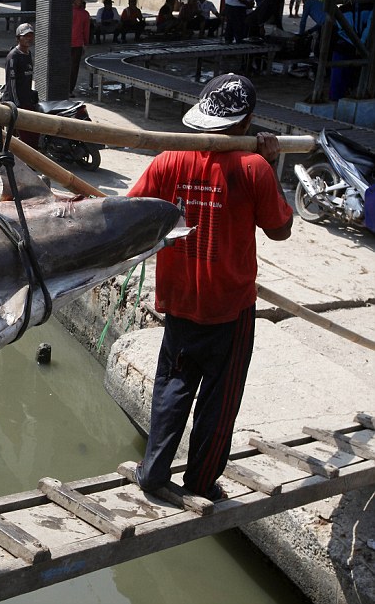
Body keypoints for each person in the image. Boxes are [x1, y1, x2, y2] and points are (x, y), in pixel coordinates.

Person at [128, 73, 293, 502]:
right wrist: (272, 169)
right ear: (246, 123)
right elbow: (280, 229)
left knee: (173, 385)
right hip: (230, 307)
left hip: (180, 298)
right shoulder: (254, 167)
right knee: (219, 400)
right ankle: (200, 483)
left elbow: (133, 211)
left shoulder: (170, 159)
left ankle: (153, 471)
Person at [0, 23, 40, 149]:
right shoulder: (13, 57)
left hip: (26, 99)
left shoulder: (27, 54)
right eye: (25, 36)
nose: (28, 38)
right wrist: (16, 105)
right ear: (18, 38)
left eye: (30, 36)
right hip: (16, 102)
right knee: (25, 133)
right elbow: (11, 83)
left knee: (34, 131)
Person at [70, 0, 91, 95]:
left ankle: (70, 89)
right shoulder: (68, 11)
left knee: (74, 69)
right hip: (67, 44)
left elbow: (86, 30)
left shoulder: (85, 14)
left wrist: (85, 44)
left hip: (77, 44)